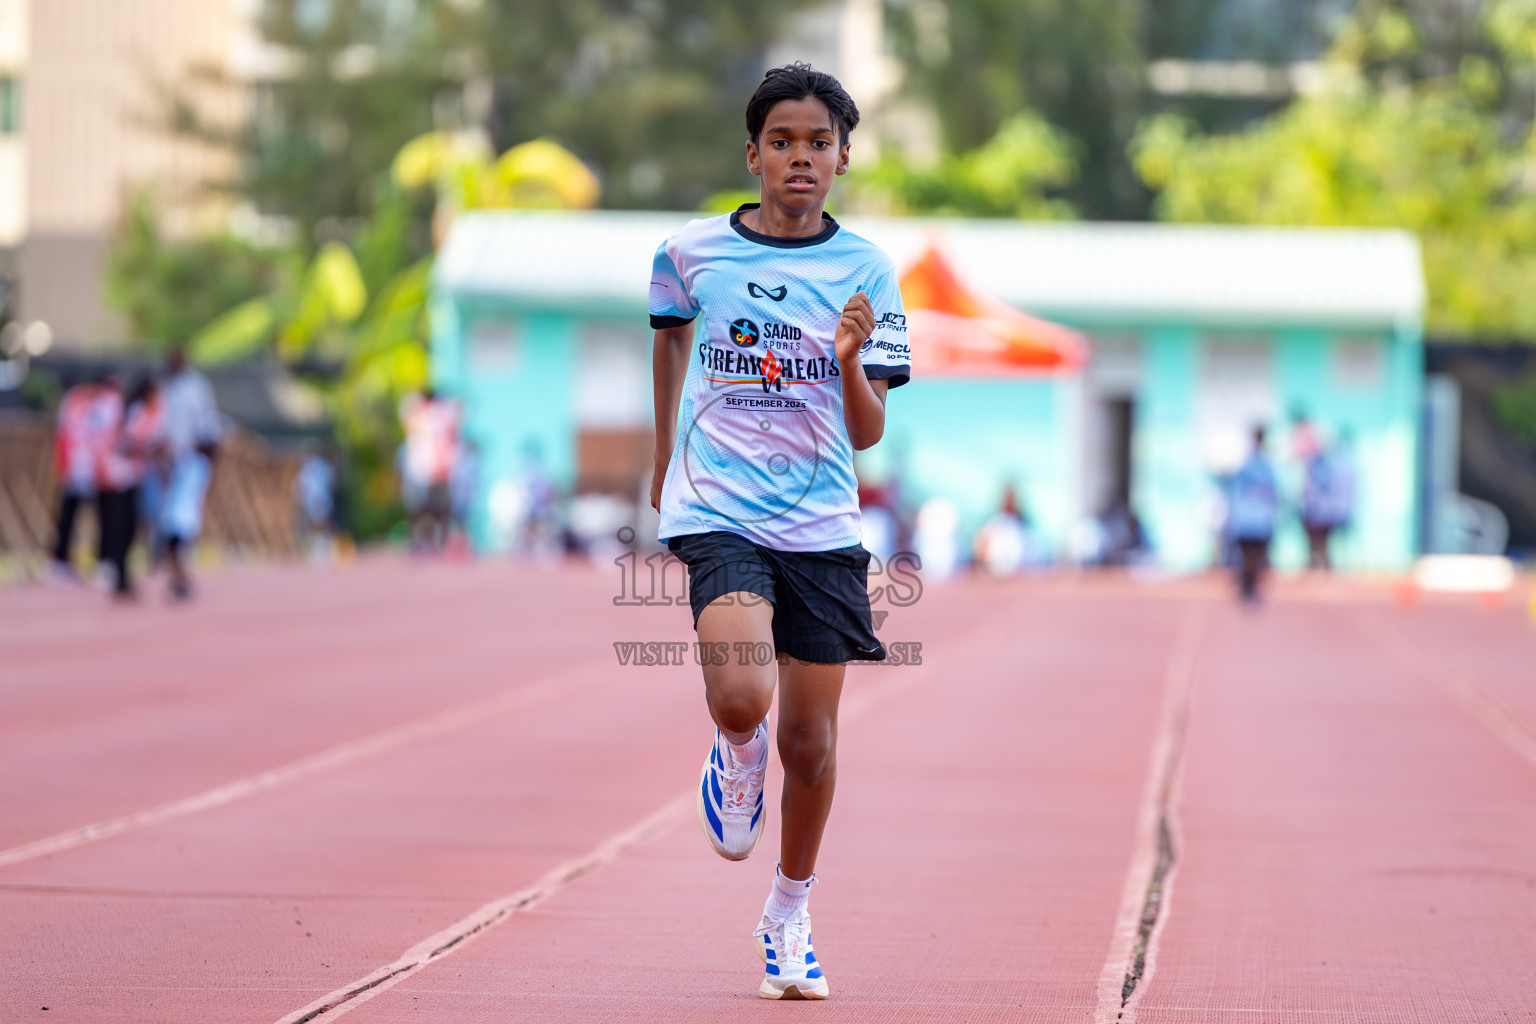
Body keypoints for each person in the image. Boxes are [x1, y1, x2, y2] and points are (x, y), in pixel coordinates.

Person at [649, 63, 909, 1001]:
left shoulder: (868, 271)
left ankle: (789, 913)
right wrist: (659, 450)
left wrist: (847, 362)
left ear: (843, 158)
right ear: (752, 154)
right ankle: (735, 751)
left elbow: (870, 428)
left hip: (823, 519)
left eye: (820, 143)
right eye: (784, 142)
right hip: (718, 507)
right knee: (741, 700)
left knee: (814, 744)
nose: (802, 158)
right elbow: (670, 333)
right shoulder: (690, 251)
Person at [159, 347, 223, 601]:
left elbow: (207, 424)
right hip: (169, 465)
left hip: (192, 461)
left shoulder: (196, 387)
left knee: (181, 519)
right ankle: (177, 571)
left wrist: (203, 452)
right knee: (169, 520)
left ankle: (180, 571)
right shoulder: (167, 388)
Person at [398, 388, 460, 553]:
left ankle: (437, 541)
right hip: (422, 470)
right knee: (420, 508)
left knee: (439, 508)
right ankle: (423, 540)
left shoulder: (440, 416)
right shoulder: (420, 417)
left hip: (438, 470)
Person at [1227, 425, 1279, 603]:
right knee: (1252, 556)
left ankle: (1248, 587)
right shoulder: (1259, 463)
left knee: (1252, 556)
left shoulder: (1250, 462)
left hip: (1250, 517)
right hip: (1254, 517)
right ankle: (1248, 587)